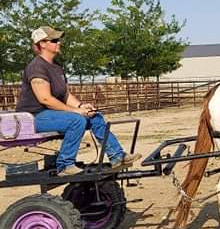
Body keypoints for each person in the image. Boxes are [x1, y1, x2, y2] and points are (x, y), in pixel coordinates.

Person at [15, 25, 140, 175]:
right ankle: (65, 165)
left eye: (58, 40)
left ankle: (117, 156)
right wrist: (76, 111)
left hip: (51, 114)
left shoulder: (57, 67)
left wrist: (81, 106)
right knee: (76, 120)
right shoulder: (37, 67)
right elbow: (45, 98)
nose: (58, 43)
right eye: (54, 40)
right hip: (34, 116)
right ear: (42, 44)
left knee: (95, 117)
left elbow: (66, 95)